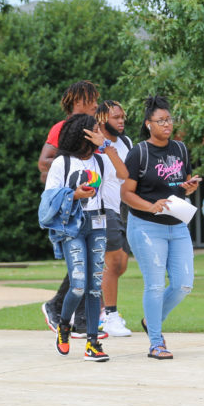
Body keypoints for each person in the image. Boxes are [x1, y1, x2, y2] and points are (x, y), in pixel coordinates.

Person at [41, 113, 127, 361]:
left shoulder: (101, 160)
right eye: (94, 130)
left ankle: (93, 343)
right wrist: (75, 195)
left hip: (97, 225)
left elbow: (124, 172)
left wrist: (106, 145)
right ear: (82, 133)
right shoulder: (62, 163)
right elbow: (48, 199)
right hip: (73, 226)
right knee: (78, 285)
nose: (98, 131)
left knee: (93, 288)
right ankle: (64, 327)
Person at [122, 95, 200, 359]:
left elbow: (182, 183)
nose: (167, 124)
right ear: (148, 124)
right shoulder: (139, 153)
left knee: (183, 285)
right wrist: (150, 206)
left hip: (177, 225)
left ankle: (149, 320)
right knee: (154, 285)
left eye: (169, 119)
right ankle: (156, 342)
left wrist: (189, 187)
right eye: (161, 120)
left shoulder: (180, 149)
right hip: (146, 226)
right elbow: (126, 194)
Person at [39, 80, 104, 339]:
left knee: (94, 265)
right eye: (91, 99)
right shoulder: (62, 128)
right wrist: (71, 172)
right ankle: (60, 308)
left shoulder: (96, 127)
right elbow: (44, 162)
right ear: (77, 101)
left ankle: (82, 322)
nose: (97, 103)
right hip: (71, 204)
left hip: (96, 205)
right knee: (82, 266)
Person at [96, 100, 134, 337]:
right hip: (101, 206)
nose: (121, 122)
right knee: (113, 262)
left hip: (125, 207)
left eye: (123, 118)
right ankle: (109, 315)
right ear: (102, 119)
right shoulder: (93, 141)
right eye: (116, 117)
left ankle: (96, 307)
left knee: (120, 265)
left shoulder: (126, 142)